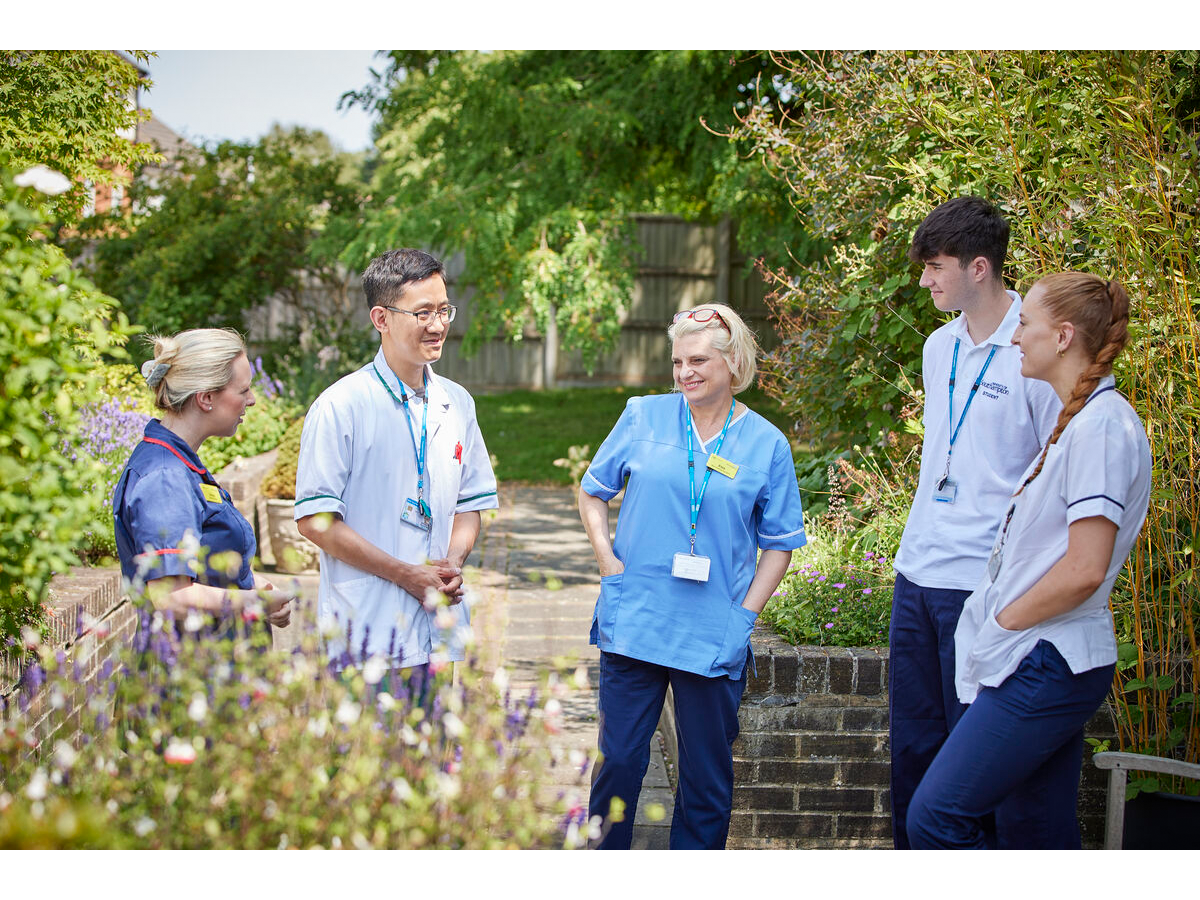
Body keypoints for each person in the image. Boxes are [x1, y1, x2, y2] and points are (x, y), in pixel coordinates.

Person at [905, 272, 1150, 849]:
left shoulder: (1102, 430)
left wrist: (1004, 620)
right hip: (1039, 654)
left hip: (1049, 657)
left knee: (936, 818)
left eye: (1025, 324)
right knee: (1034, 831)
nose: (1015, 337)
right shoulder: (1078, 422)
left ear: (1062, 337)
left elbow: (1086, 568)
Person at [579, 303, 806, 850]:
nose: (685, 373)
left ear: (733, 362)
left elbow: (779, 545)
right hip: (637, 616)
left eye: (699, 360)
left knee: (706, 779)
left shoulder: (766, 444)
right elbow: (592, 491)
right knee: (618, 765)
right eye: (678, 362)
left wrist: (745, 616)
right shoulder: (643, 415)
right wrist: (609, 563)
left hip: (711, 631)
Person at [888, 196, 1062, 849]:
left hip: (983, 588)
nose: (926, 280)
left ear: (979, 267)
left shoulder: (1035, 348)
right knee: (911, 753)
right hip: (916, 574)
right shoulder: (939, 347)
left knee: (972, 770)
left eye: (935, 267)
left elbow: (1054, 469)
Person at [294, 248, 497, 687]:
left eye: (444, 310)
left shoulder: (457, 403)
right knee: (366, 754)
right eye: (423, 312)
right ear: (381, 318)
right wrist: (406, 575)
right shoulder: (340, 406)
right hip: (367, 631)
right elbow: (315, 520)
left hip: (438, 628)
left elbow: (470, 500)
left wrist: (452, 563)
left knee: (434, 752)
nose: (439, 325)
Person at [113, 328, 292, 628]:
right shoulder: (165, 478)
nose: (252, 400)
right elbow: (170, 596)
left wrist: (255, 585)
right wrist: (255, 603)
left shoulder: (181, 463)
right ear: (206, 397)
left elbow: (210, 564)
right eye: (243, 390)